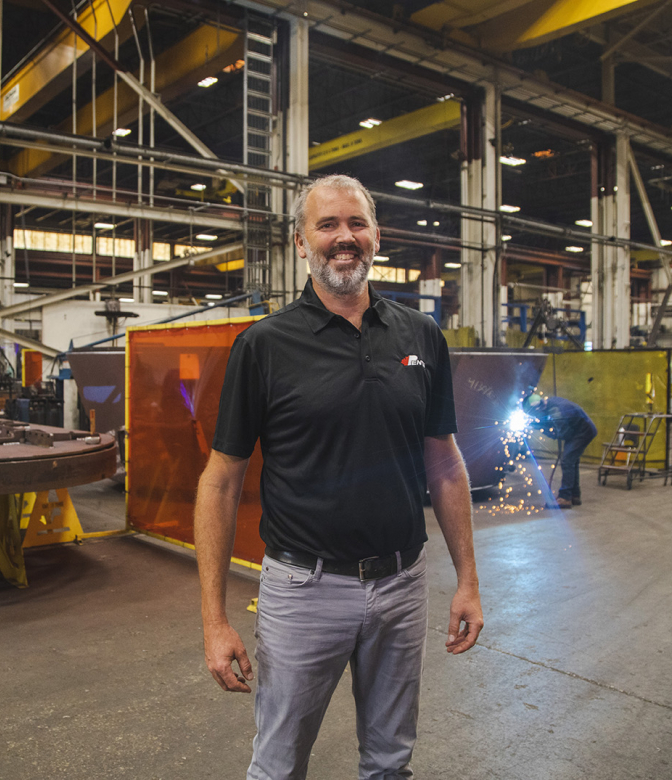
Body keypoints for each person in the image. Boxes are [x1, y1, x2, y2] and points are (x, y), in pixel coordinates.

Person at [194, 174, 482, 780]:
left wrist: (468, 581)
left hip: (402, 585)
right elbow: (220, 482)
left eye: (356, 223)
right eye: (327, 225)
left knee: (389, 763)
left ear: (377, 237)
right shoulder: (264, 346)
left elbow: (445, 463)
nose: (343, 237)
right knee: (277, 766)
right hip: (303, 592)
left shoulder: (421, 336)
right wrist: (214, 620)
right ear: (301, 243)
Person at [523, 393, 597, 509]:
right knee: (572, 461)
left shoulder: (555, 411)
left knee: (567, 461)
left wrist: (542, 428)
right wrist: (540, 425)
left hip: (583, 431)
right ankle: (574, 495)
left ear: (538, 408)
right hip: (579, 429)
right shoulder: (550, 403)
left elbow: (563, 434)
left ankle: (565, 498)